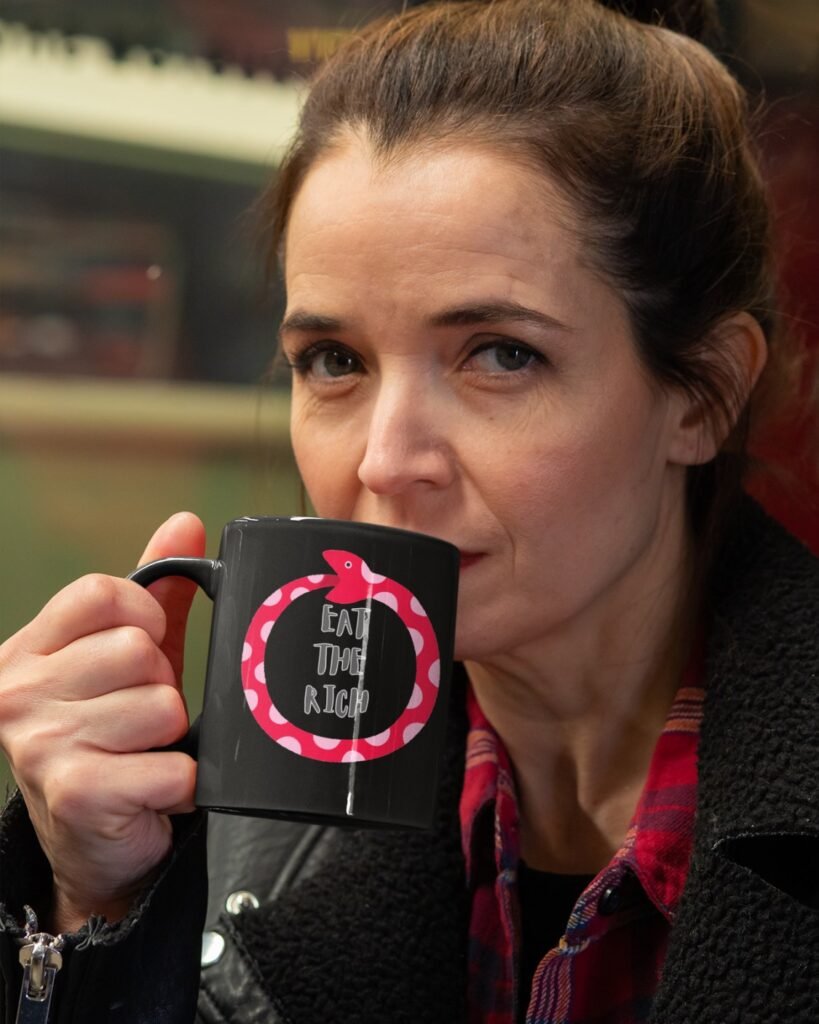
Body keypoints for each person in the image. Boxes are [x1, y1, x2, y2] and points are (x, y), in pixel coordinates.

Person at [0, 0, 817, 1021]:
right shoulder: (247, 802)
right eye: (334, 362)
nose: (386, 463)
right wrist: (98, 906)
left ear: (703, 394)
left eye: (501, 355)